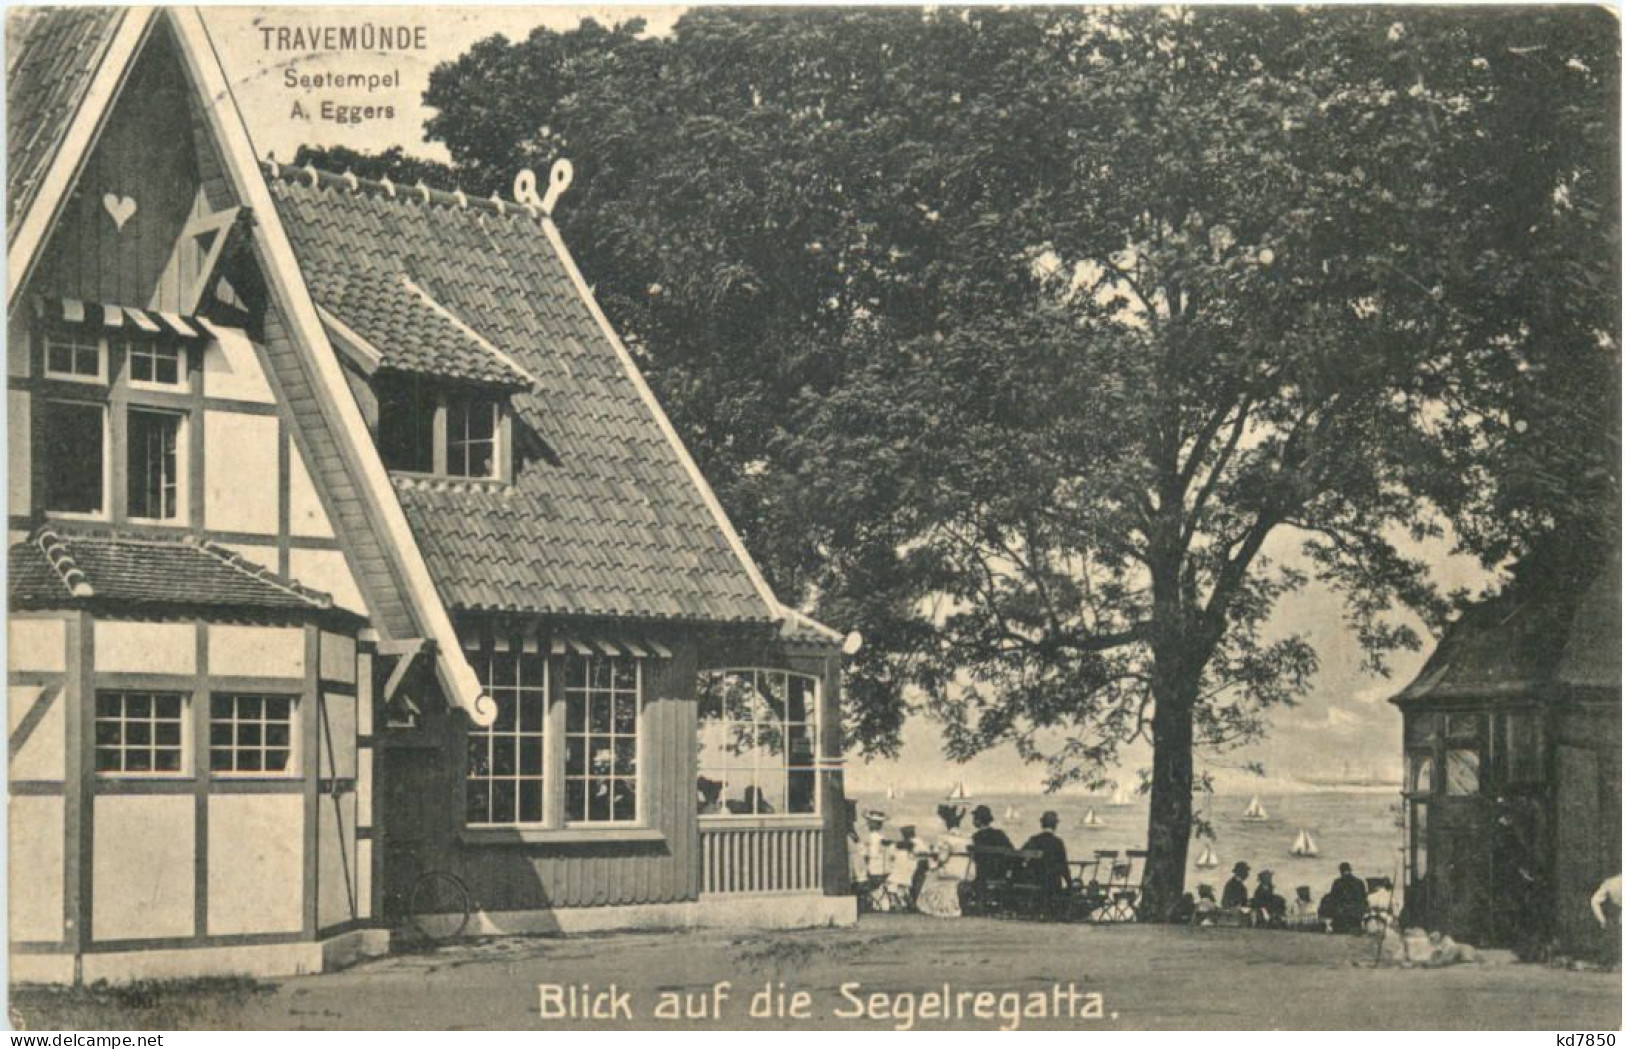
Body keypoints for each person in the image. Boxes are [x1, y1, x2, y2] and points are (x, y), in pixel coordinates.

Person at [1019, 810, 1072, 897]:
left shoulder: (1033, 840)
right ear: (1055, 825)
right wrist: (1070, 884)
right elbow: (1064, 866)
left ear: (1042, 824)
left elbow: (1020, 857)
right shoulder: (1058, 842)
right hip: (1052, 885)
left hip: (1034, 882)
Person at [1319, 862, 1367, 934]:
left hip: (1341, 914)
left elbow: (1333, 898)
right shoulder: (1359, 882)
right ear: (1350, 870)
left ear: (1341, 871)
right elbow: (1363, 898)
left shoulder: (1337, 882)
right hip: (1357, 914)